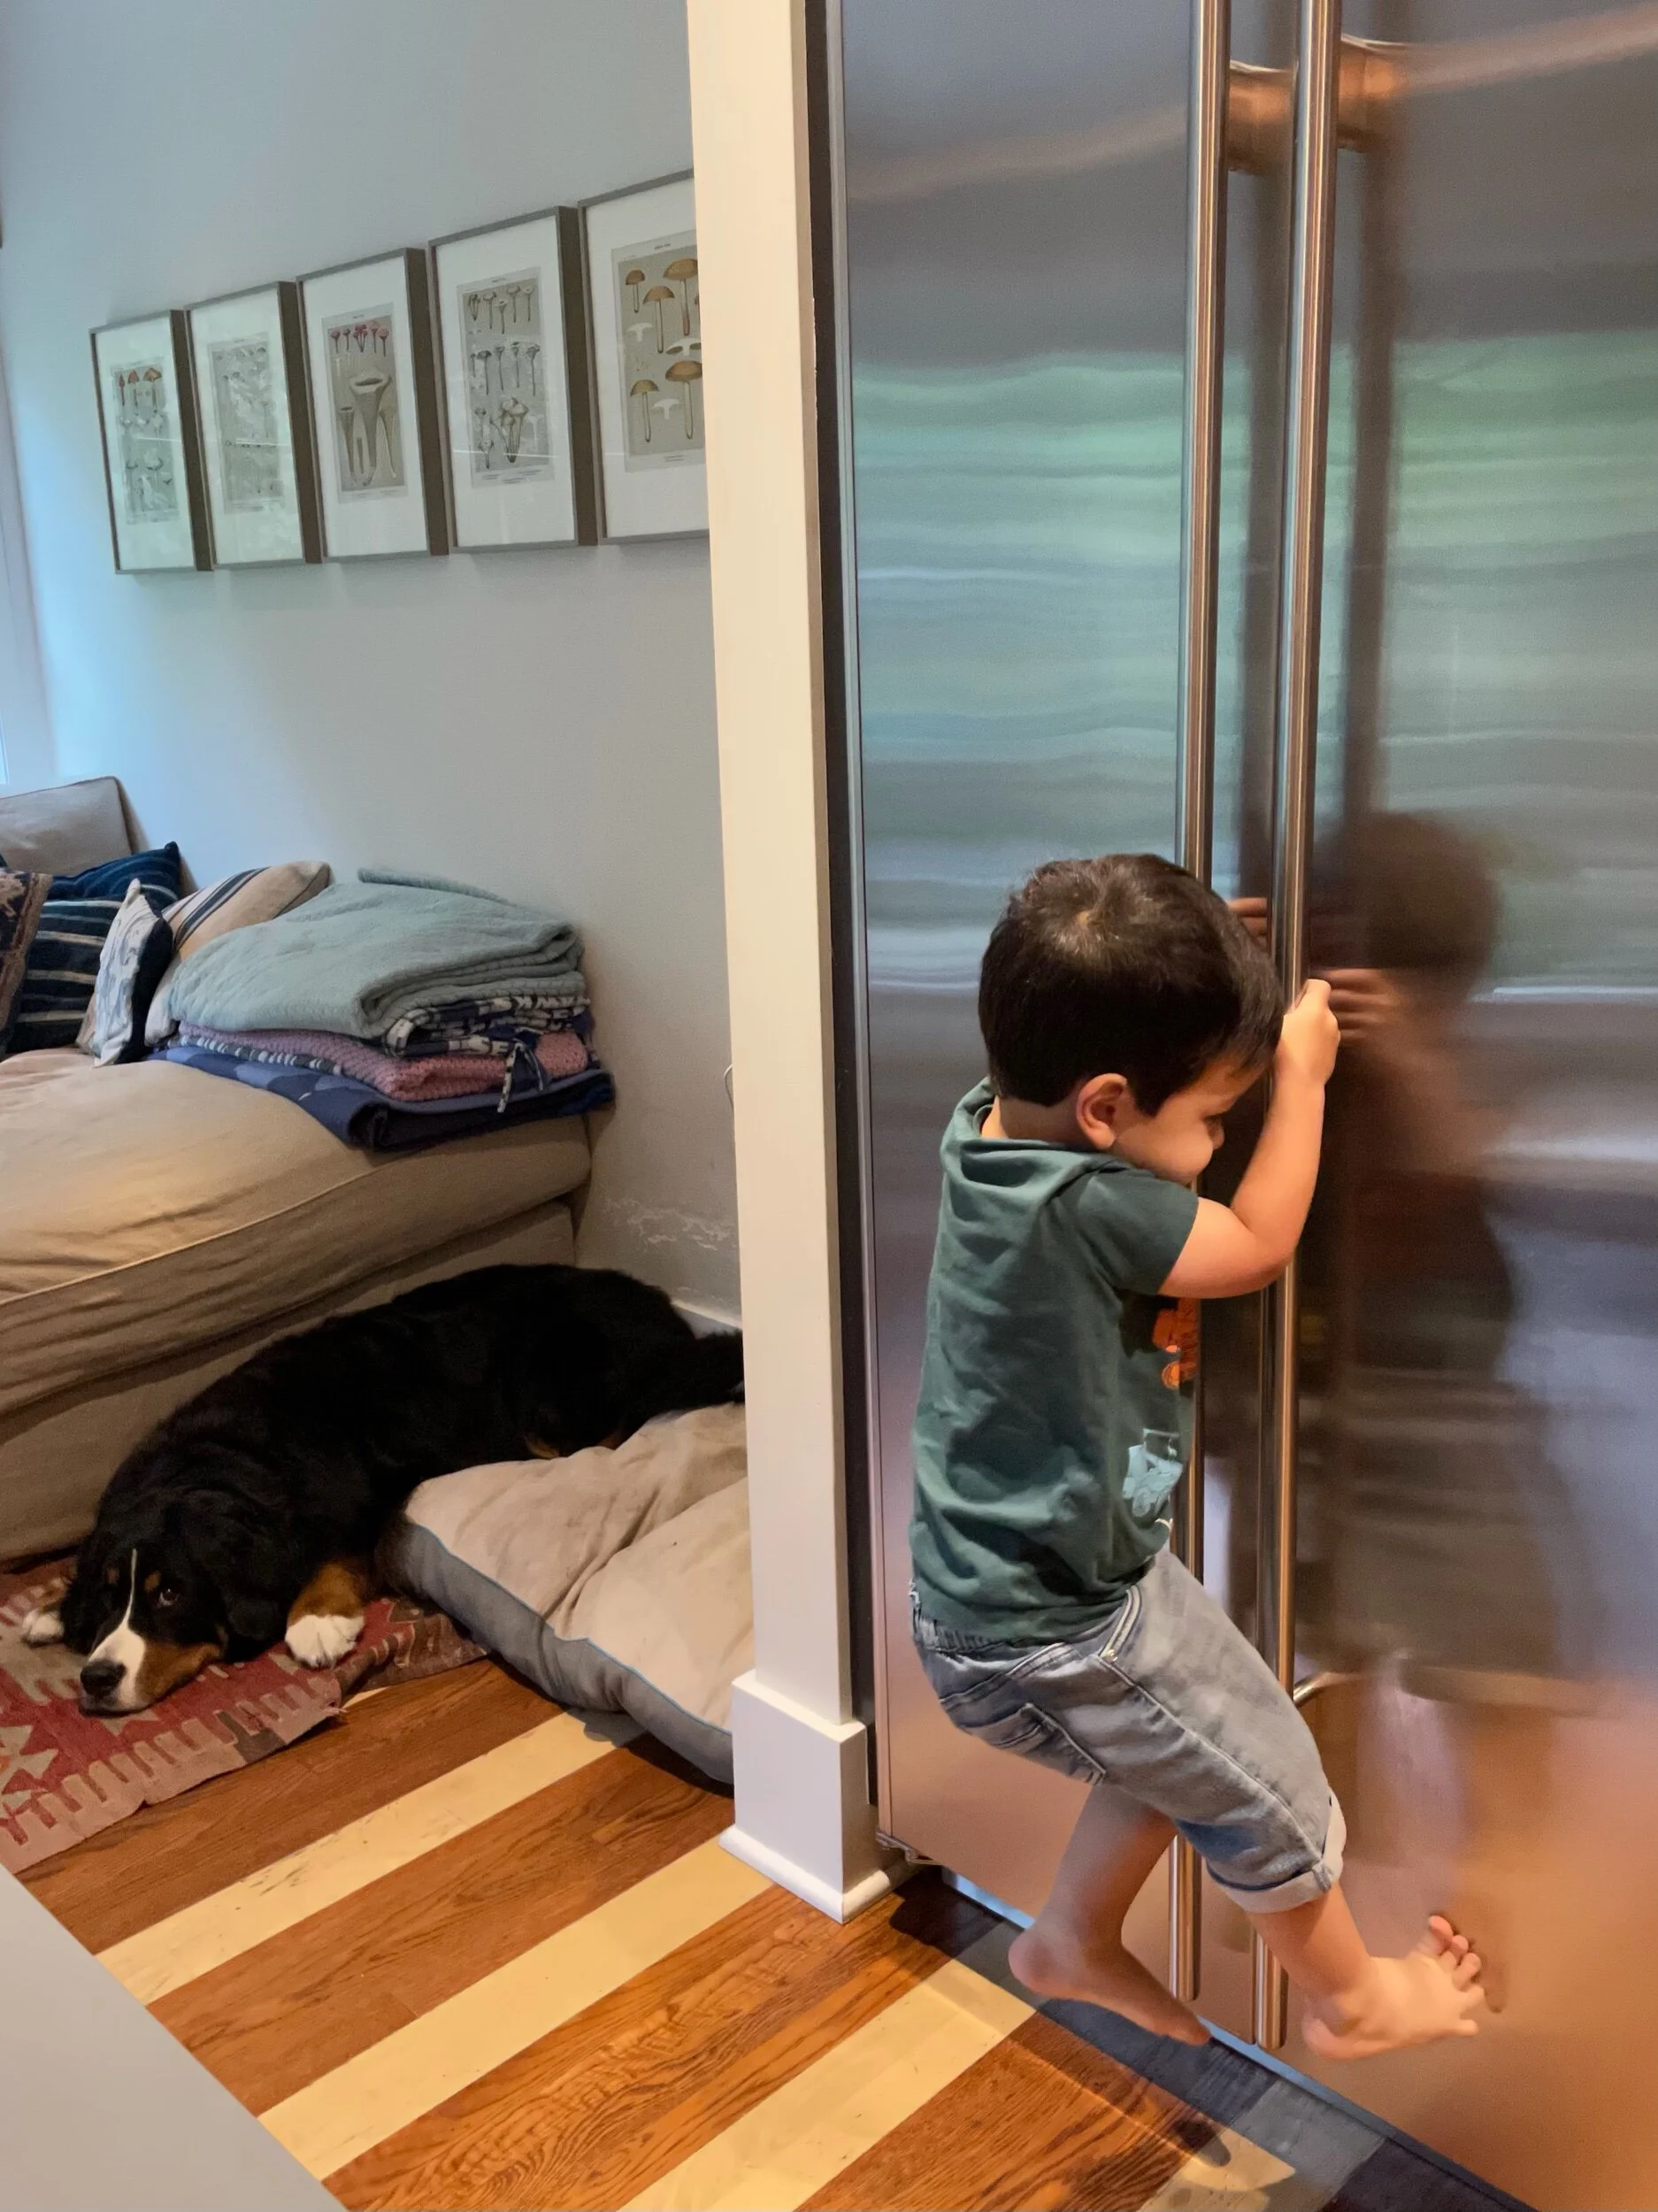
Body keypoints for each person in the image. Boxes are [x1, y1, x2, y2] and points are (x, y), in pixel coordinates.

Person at [910, 851, 1486, 2055]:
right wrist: (1304, 1077)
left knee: (1191, 1750)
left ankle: (1067, 1937)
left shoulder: (991, 1126)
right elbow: (1256, 1243)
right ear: (1105, 1109)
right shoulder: (1084, 1201)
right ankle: (1358, 2003)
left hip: (1037, 1593)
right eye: (1214, 1119)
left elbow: (1074, 1015)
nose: (1220, 1141)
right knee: (1269, 1785)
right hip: (1056, 1627)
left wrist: (1188, 972)